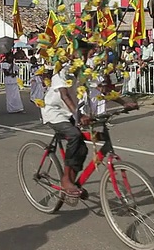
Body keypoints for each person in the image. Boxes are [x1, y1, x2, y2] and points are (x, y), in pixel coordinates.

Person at [41, 59, 138, 197]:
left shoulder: (84, 72)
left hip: (71, 112)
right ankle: (66, 180)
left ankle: (73, 181)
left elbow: (102, 89)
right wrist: (79, 116)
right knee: (75, 135)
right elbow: (65, 95)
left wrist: (124, 103)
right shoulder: (61, 73)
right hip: (54, 112)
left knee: (83, 148)